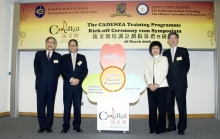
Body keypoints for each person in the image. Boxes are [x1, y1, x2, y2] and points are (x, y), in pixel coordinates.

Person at [163, 32, 190, 135]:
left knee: (181, 106)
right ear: (168, 40)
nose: (173, 40)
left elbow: (187, 66)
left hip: (180, 84)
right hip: (168, 84)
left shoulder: (183, 51)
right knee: (169, 106)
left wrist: (180, 76)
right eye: (171, 38)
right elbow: (164, 68)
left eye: (175, 38)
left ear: (177, 40)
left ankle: (182, 127)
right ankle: (171, 125)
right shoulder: (165, 53)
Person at [34, 37, 62, 133]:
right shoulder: (39, 54)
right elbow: (36, 70)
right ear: (45, 43)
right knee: (40, 106)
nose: (50, 44)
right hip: (40, 85)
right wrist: (42, 79)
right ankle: (42, 126)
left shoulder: (59, 56)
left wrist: (52, 79)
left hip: (51, 85)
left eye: (52, 42)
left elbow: (58, 72)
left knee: (50, 107)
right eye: (48, 42)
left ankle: (49, 126)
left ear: (55, 45)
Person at [61, 39, 88, 133]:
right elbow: (62, 70)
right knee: (67, 107)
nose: (72, 47)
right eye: (71, 45)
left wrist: (78, 80)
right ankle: (66, 126)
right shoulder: (64, 57)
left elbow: (85, 70)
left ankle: (77, 126)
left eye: (74, 45)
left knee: (77, 107)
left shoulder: (82, 57)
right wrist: (71, 79)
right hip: (68, 86)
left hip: (77, 87)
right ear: (68, 47)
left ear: (77, 46)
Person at [144, 41, 169, 134]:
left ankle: (161, 128)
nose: (155, 50)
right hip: (150, 88)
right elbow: (146, 73)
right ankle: (152, 128)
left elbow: (164, 72)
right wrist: (150, 84)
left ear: (160, 50)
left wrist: (157, 84)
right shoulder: (148, 60)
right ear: (151, 50)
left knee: (162, 108)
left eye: (157, 48)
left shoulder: (164, 59)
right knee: (152, 108)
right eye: (153, 48)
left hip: (161, 87)